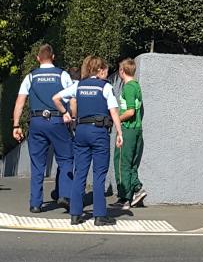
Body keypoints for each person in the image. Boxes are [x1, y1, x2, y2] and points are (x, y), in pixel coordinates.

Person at [53, 55, 123, 226]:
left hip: (81, 131)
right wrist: (119, 132)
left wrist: (65, 113)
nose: (107, 73)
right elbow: (113, 111)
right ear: (99, 70)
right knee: (99, 175)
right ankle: (99, 216)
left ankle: (75, 214)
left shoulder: (78, 85)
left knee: (80, 173)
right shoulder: (105, 87)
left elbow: (56, 98)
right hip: (99, 132)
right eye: (106, 70)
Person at [12, 44, 74, 213]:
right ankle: (65, 195)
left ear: (38, 58)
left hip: (37, 122)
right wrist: (72, 117)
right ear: (53, 57)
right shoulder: (63, 75)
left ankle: (35, 204)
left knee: (37, 164)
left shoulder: (30, 77)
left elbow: (20, 102)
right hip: (58, 121)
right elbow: (72, 100)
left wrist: (16, 125)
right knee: (66, 159)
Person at [113, 58, 147, 211]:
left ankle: (124, 198)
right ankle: (137, 189)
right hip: (137, 130)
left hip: (128, 129)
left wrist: (116, 119)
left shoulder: (128, 88)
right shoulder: (137, 86)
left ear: (122, 71)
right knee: (131, 164)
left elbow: (130, 111)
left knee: (122, 163)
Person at [51, 66, 80, 202]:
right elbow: (73, 102)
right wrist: (74, 118)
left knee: (63, 161)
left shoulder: (65, 87)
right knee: (71, 160)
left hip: (63, 125)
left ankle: (58, 191)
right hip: (76, 125)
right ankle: (68, 193)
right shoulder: (79, 86)